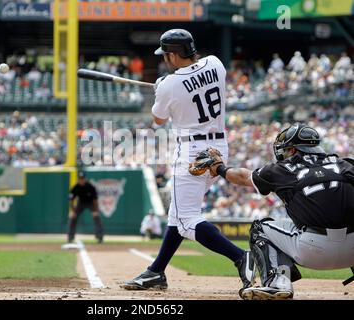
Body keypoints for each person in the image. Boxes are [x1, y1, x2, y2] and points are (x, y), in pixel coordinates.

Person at [121, 29, 254, 295]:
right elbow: (193, 83)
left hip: (192, 151)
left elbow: (158, 120)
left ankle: (242, 257)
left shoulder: (170, 84)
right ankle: (156, 271)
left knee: (185, 219)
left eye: (166, 55)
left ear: (172, 54)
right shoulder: (216, 64)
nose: (164, 59)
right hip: (218, 147)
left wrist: (163, 87)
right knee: (177, 215)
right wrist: (168, 84)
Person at [199, 123, 354, 300]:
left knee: (260, 228)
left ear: (294, 150)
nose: (283, 153)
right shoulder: (345, 164)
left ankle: (277, 283)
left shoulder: (283, 169)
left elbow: (243, 177)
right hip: (352, 251)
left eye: (286, 149)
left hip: (313, 250)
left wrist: (220, 168)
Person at [68, 171, 104, 243]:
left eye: (82, 178)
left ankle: (99, 236)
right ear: (78, 179)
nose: (81, 180)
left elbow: (95, 200)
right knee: (73, 217)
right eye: (80, 179)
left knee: (96, 216)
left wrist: (96, 210)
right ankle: (70, 236)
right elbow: (71, 200)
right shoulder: (75, 187)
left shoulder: (90, 187)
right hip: (80, 202)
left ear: (85, 179)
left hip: (91, 203)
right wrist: (73, 210)